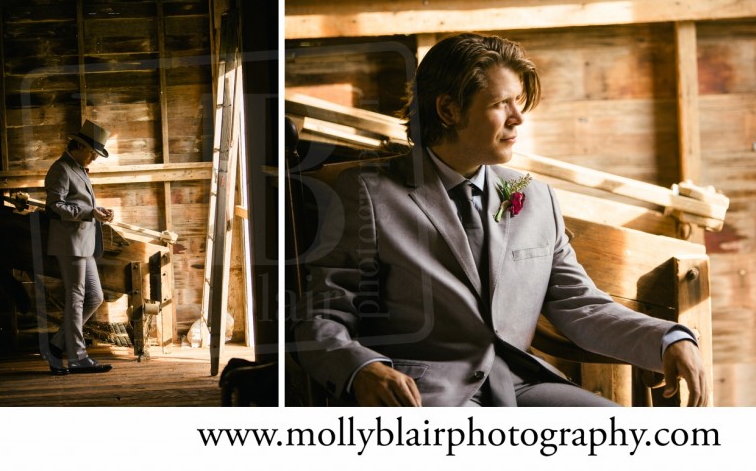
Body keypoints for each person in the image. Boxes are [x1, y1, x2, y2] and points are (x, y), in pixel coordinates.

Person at [292, 33, 708, 406]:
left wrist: (667, 338)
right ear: (448, 110)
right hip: (426, 396)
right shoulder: (366, 193)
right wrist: (364, 369)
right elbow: (322, 318)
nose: (518, 118)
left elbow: (580, 304)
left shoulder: (534, 196)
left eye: (518, 102)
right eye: (500, 104)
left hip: (522, 385)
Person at [42, 120, 115, 375]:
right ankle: (77, 358)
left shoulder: (79, 169)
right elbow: (55, 206)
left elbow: (81, 204)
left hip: (84, 243)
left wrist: (98, 211)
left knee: (94, 297)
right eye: (93, 152)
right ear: (80, 145)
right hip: (69, 243)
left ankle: (55, 345)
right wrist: (89, 212)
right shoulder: (60, 169)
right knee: (76, 298)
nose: (94, 158)